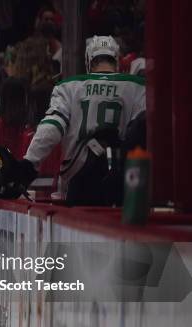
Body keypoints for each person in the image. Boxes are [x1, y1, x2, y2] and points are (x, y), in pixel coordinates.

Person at [19, 35, 146, 205]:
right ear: (116, 60)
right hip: (123, 187)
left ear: (89, 61)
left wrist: (29, 162)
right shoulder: (138, 87)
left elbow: (52, 128)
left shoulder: (68, 87)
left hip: (78, 187)